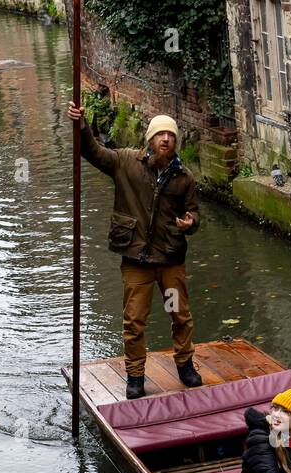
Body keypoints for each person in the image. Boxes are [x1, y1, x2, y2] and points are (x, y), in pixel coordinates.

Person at [67, 102, 202, 400]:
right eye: (160, 134)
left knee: (179, 314)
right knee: (134, 321)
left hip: (170, 261)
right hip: (137, 260)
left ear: (175, 141)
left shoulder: (184, 178)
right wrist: (82, 125)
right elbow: (92, 151)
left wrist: (190, 222)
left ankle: (185, 365)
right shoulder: (126, 163)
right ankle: (136, 375)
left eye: (170, 135)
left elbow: (194, 214)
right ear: (150, 140)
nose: (165, 139)